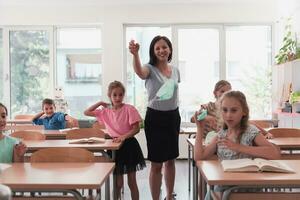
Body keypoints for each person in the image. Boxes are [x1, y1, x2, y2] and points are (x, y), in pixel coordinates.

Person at [193, 91, 281, 199]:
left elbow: (275, 153)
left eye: (234, 110)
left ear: (244, 111)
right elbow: (199, 157)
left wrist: (239, 147)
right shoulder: (221, 135)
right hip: (224, 185)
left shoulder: (250, 131)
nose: (228, 115)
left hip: (246, 188)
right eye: (225, 110)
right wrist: (200, 129)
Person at [129, 36, 180, 200]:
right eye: (157, 48)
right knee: (157, 163)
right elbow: (139, 72)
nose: (161, 50)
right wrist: (135, 54)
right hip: (155, 118)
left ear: (170, 49)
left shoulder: (176, 70)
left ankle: (169, 196)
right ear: (153, 51)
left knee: (171, 160)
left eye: (164, 47)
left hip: (173, 117)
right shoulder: (149, 69)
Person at [84, 81, 145, 200]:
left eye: (120, 95)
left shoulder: (129, 109)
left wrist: (124, 136)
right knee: (118, 184)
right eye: (114, 95)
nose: (118, 98)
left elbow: (136, 129)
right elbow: (86, 112)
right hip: (115, 148)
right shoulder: (105, 111)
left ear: (123, 95)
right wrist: (100, 103)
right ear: (110, 96)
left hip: (129, 146)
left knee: (132, 182)